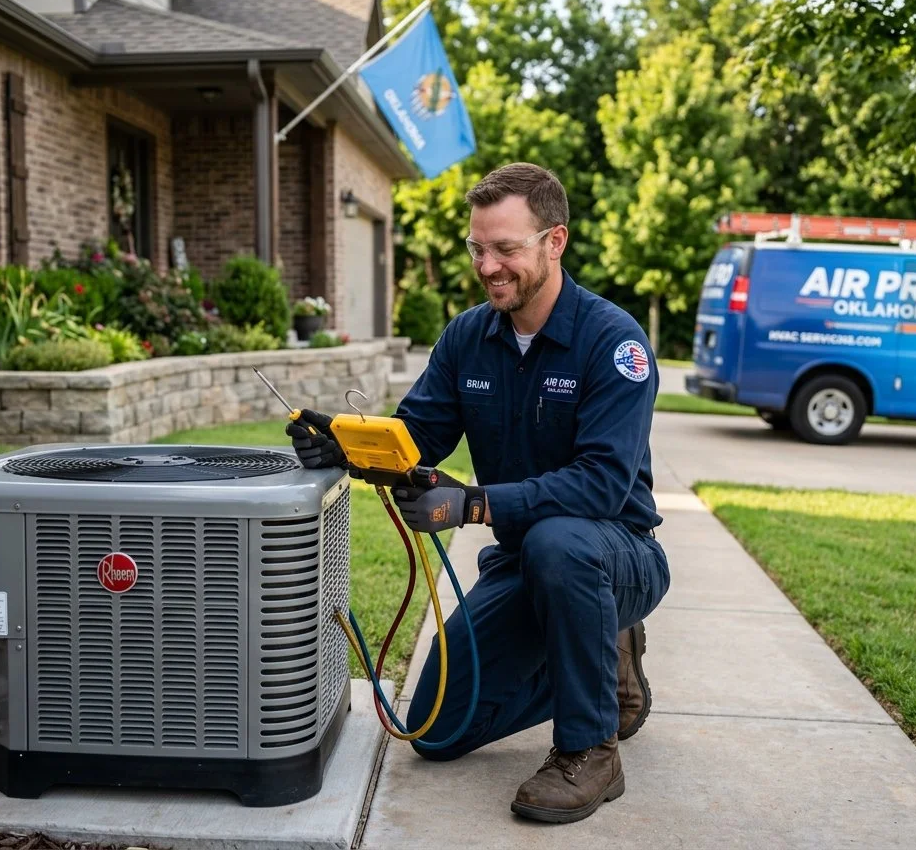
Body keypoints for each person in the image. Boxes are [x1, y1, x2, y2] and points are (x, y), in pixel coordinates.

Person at [287, 162, 670, 824]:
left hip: (615, 557)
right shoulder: (470, 337)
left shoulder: (613, 343)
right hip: (527, 567)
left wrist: (474, 504)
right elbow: (418, 436)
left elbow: (604, 486)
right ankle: (604, 663)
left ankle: (590, 750)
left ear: (555, 242)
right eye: (477, 247)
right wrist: (345, 446)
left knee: (561, 542)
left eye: (506, 248)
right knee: (437, 728)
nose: (487, 264)